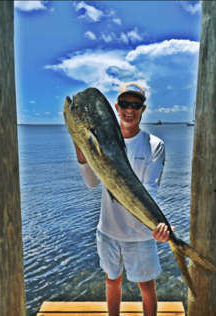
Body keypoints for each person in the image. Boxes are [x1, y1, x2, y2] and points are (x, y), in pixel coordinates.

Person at [73, 82, 170, 316]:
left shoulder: (154, 145)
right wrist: (79, 142)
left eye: (135, 104)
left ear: (143, 109)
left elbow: (150, 190)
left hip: (141, 234)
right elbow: (92, 183)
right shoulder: (103, 139)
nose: (130, 109)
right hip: (107, 230)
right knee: (111, 281)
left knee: (146, 287)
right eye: (125, 104)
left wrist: (159, 225)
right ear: (116, 107)